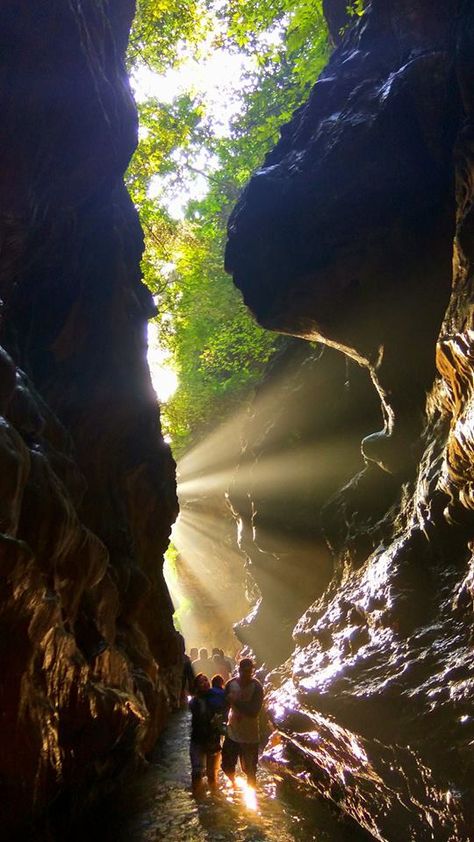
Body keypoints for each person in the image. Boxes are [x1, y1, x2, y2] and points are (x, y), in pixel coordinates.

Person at [222, 657, 264, 788]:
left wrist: (235, 701)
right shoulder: (230, 684)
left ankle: (252, 798)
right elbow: (224, 706)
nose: (246, 674)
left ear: (252, 671)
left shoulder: (256, 687)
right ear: (239, 670)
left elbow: (254, 711)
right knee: (227, 766)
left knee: (250, 770)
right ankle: (234, 785)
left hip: (250, 735)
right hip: (232, 731)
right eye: (244, 671)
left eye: (249, 671)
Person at [189, 673, 222, 796]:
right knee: (197, 772)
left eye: (206, 680)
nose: (205, 683)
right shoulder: (195, 702)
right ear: (197, 687)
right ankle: (197, 797)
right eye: (201, 682)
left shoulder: (215, 697)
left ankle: (214, 798)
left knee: (212, 774)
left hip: (212, 740)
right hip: (198, 739)